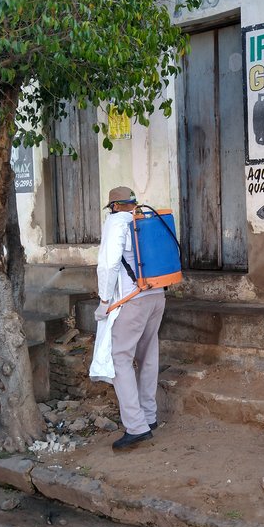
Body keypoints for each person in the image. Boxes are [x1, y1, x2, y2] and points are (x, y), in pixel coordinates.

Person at [95, 186, 167, 450]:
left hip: (132, 300)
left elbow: (108, 264)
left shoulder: (117, 222)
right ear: (133, 204)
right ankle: (149, 416)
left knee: (120, 359)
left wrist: (104, 301)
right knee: (148, 355)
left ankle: (137, 427)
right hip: (157, 296)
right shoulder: (146, 220)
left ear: (114, 206)